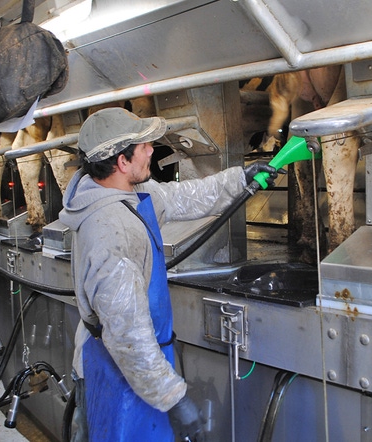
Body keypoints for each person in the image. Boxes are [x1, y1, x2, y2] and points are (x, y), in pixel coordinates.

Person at [58, 107, 277, 441]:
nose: (151, 150)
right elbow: (127, 334)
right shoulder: (108, 232)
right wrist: (174, 399)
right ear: (121, 161)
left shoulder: (125, 194)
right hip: (114, 370)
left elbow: (183, 198)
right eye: (144, 145)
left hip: (144, 364)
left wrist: (240, 178)